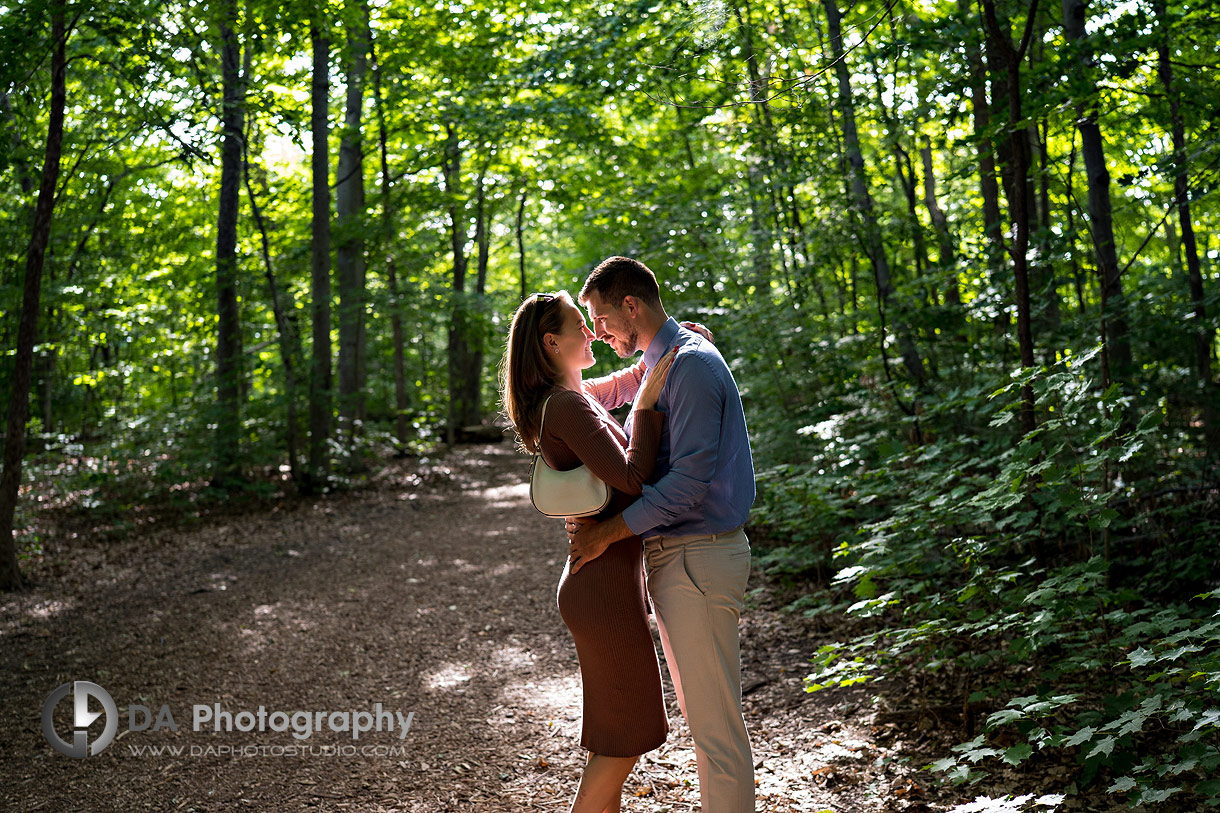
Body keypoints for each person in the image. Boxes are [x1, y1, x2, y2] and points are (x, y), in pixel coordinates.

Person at [566, 256, 757, 813]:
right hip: (680, 558)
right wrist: (551, 383)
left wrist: (606, 535)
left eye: (600, 319)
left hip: (699, 556)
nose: (597, 332)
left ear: (632, 306)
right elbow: (603, 394)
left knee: (717, 731)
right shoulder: (660, 358)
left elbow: (689, 486)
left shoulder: (690, 366)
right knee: (707, 723)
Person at [500, 290, 678, 813]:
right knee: (625, 739)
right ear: (552, 342)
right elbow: (630, 475)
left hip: (601, 584)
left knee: (617, 736)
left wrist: (671, 343)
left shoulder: (565, 398)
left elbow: (624, 381)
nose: (594, 332)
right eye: (582, 325)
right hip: (601, 591)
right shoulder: (568, 406)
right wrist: (646, 407)